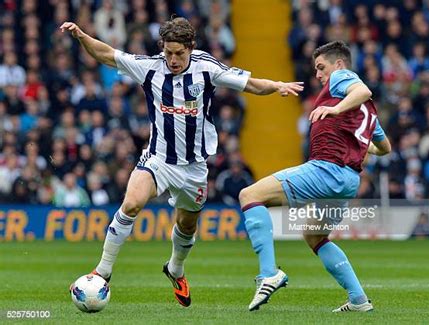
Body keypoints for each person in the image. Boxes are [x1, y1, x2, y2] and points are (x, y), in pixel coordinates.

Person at [60, 17, 303, 307]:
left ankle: (175, 269)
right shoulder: (150, 67)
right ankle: (103, 270)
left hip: (195, 167)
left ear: (191, 48)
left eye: (179, 53)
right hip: (158, 159)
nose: (173, 60)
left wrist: (276, 85)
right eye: (168, 52)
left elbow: (249, 84)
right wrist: (81, 36)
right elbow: (107, 54)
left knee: (187, 226)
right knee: (132, 203)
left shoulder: (207, 68)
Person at [238, 41, 391, 312]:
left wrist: (335, 109)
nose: (318, 75)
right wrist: (362, 148)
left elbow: (363, 89)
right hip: (348, 180)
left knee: (250, 195)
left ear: (339, 65)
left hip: (326, 169)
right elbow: (385, 147)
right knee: (314, 235)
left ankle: (268, 273)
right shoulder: (369, 112)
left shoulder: (343, 80)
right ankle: (358, 300)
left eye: (322, 68)